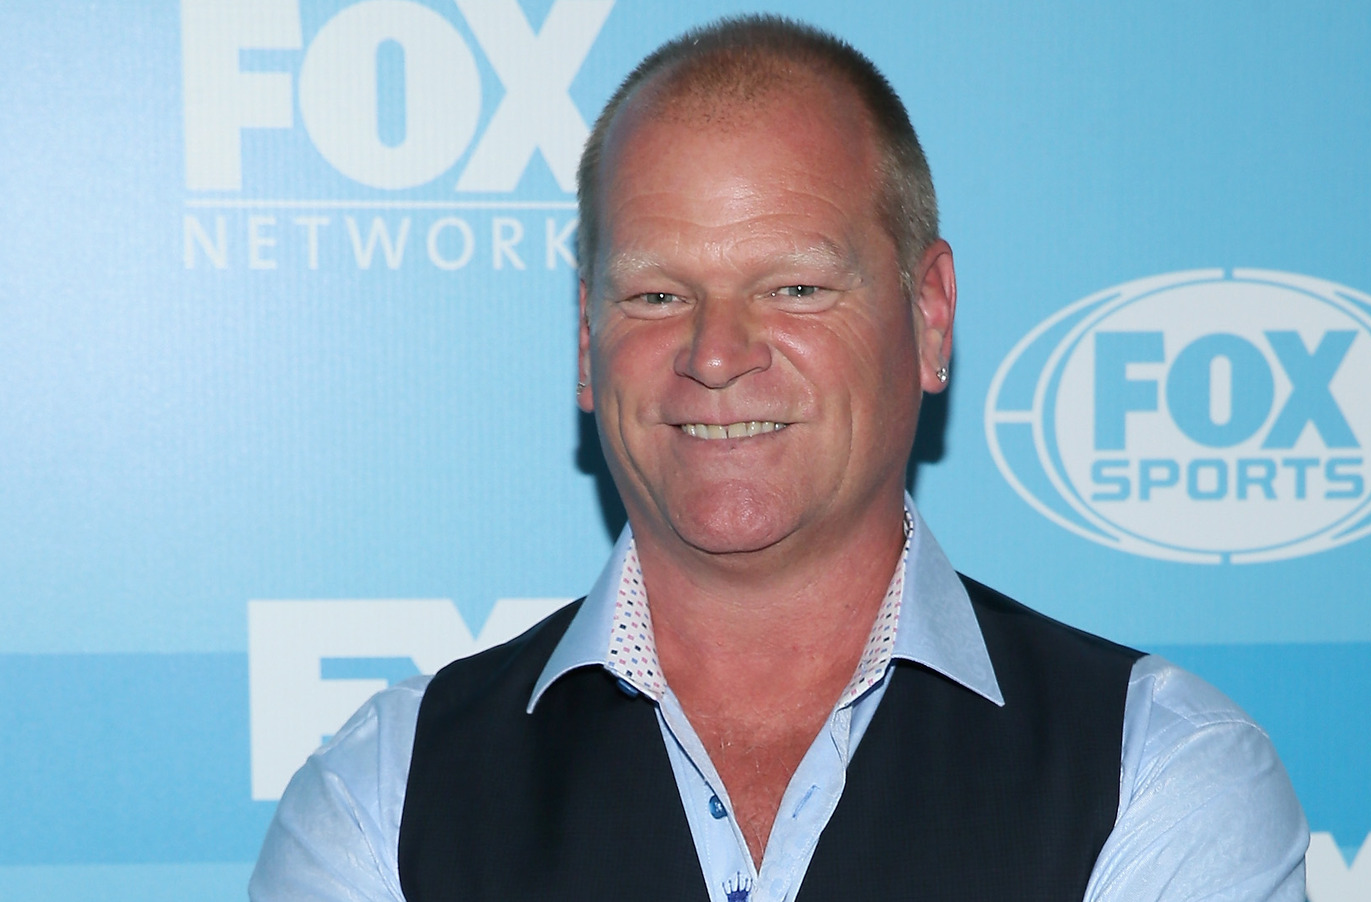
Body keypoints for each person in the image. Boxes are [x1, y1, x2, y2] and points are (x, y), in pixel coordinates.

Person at [251, 15, 1307, 902]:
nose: (715, 353)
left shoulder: (1158, 771)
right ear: (585, 342)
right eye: (655, 294)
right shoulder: (384, 795)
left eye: (796, 288)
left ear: (929, 315)